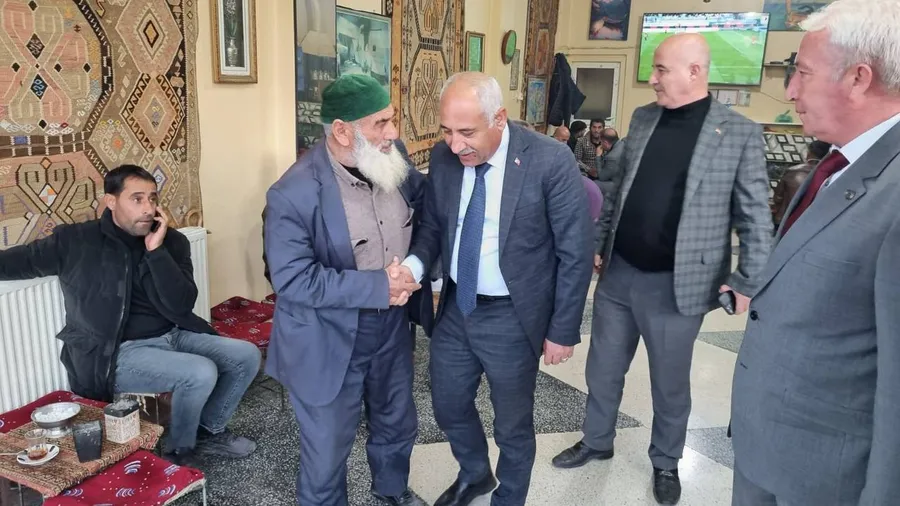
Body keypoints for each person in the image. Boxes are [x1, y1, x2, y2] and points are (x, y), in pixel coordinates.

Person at [551, 33, 772, 505]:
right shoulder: (644, 117)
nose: (652, 79)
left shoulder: (738, 133)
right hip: (620, 274)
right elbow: (619, 187)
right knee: (603, 368)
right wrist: (599, 243)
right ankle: (597, 440)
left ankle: (666, 461)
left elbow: (756, 216)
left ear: (695, 72)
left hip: (678, 286)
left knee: (669, 383)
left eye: (661, 70)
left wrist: (748, 280)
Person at [730, 0, 900, 504]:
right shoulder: (836, 164)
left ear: (858, 78)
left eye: (802, 73)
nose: (790, 91)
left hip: (828, 477)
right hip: (768, 449)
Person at [397, 72, 593, 506]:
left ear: (499, 119)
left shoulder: (548, 160)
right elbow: (434, 226)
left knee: (512, 425)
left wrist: (562, 329)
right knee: (447, 405)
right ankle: (475, 475)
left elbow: (576, 251)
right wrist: (413, 267)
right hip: (456, 308)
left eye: (467, 132)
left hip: (513, 314)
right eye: (446, 131)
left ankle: (509, 498)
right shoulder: (445, 158)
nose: (455, 144)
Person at [0, 165, 261, 466]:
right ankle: (180, 452)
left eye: (152, 198)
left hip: (173, 334)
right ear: (111, 201)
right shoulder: (76, 241)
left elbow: (182, 304)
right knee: (200, 372)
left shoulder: (172, 242)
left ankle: (208, 432)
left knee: (246, 355)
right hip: (115, 352)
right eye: (137, 199)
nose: (148, 208)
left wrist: (156, 252)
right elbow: (17, 262)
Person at [264, 74, 433, 506]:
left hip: (392, 328)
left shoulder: (391, 159)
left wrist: (414, 266)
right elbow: (293, 279)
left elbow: (427, 212)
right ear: (342, 131)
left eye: (391, 119)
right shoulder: (294, 192)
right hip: (327, 336)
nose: (393, 132)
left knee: (397, 422)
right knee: (327, 449)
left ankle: (392, 490)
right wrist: (379, 285)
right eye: (380, 123)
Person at [770, 140, 830, 230]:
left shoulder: (792, 171)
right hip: (814, 223)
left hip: (785, 221)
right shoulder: (831, 174)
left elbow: (778, 198)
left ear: (809, 153)